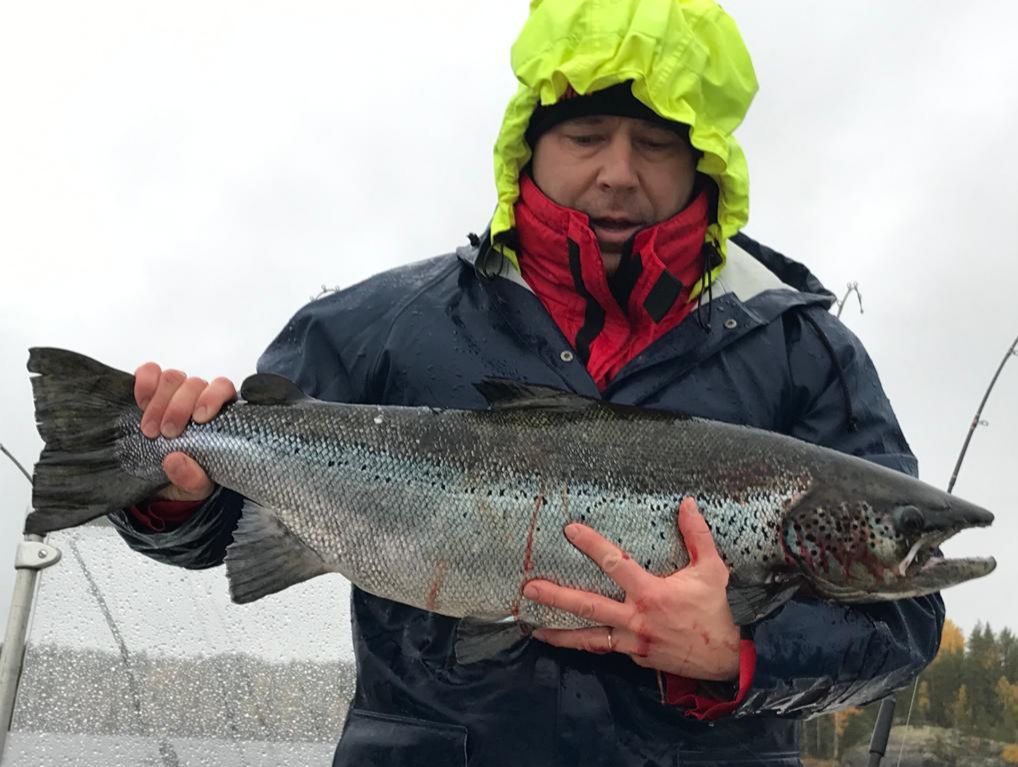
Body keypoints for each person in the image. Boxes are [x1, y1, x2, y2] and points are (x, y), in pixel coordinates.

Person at [110, 1, 944, 765]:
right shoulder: (374, 326)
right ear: (528, 144)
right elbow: (224, 529)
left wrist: (739, 651)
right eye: (586, 134)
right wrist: (170, 494)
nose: (618, 171)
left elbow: (905, 622)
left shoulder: (806, 351)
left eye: (656, 143)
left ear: (706, 161)